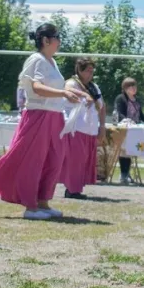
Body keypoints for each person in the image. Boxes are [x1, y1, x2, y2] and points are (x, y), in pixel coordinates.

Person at [0, 24, 90, 219]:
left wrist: (71, 92)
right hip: (38, 115)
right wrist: (63, 93)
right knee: (33, 160)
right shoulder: (37, 60)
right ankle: (30, 206)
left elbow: (55, 88)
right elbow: (37, 87)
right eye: (57, 37)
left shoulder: (51, 62)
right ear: (46, 40)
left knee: (55, 159)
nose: (60, 42)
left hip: (54, 115)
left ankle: (43, 201)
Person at [61, 58, 106, 200]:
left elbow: (102, 107)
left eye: (92, 71)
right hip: (76, 127)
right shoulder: (72, 82)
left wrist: (103, 126)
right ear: (79, 70)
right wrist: (83, 94)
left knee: (85, 159)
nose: (90, 74)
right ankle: (71, 189)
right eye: (87, 71)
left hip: (90, 128)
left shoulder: (94, 87)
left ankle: (77, 188)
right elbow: (66, 89)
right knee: (75, 159)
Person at [114, 78, 144, 185]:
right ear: (125, 88)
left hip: (136, 130)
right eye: (131, 86)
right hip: (125, 128)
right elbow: (119, 113)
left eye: (135, 86)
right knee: (124, 151)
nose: (134, 88)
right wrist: (127, 120)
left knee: (131, 151)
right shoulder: (120, 98)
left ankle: (127, 173)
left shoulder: (137, 99)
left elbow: (141, 115)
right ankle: (123, 174)